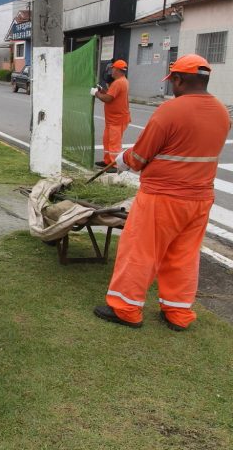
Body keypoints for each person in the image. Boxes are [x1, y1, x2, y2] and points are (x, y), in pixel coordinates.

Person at [94, 54, 230, 331]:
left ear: (179, 79)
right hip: (200, 199)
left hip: (163, 197)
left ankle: (125, 308)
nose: (173, 86)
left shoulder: (171, 111)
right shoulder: (221, 112)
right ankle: (178, 313)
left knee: (141, 251)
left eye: (173, 81)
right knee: (184, 255)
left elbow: (141, 157)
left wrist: (122, 160)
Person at [92, 59, 130, 171]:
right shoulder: (121, 81)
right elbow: (110, 94)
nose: (111, 71)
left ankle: (114, 165)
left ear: (117, 70)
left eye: (113, 68)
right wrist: (102, 90)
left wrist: (96, 93)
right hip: (113, 119)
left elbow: (108, 98)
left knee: (114, 143)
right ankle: (108, 161)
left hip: (117, 119)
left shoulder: (118, 83)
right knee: (107, 140)